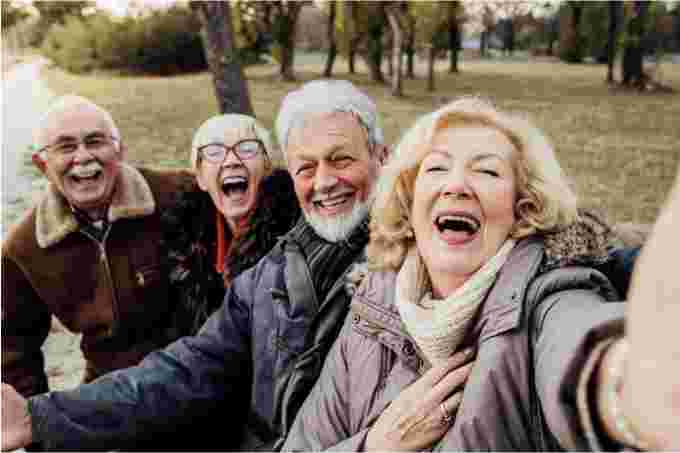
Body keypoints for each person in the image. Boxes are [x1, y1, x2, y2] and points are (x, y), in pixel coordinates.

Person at [0, 79, 437, 452]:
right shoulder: (271, 273)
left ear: (382, 156)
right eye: (306, 167)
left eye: (341, 159)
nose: (323, 181)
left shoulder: (425, 263)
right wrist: (40, 417)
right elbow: (184, 370)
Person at [282, 97, 678, 451]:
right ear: (409, 200)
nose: (456, 185)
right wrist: (375, 446)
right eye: (436, 169)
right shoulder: (370, 308)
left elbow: (580, 349)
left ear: (522, 209)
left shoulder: (550, 293)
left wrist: (629, 385)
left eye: (487, 173)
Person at [1, 95, 194, 397]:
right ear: (42, 164)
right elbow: (14, 350)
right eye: (65, 147)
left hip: (194, 373)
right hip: (110, 388)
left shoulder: (179, 195)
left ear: (119, 150)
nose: (83, 157)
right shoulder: (23, 248)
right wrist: (40, 428)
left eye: (95, 141)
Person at [161, 114, 300, 336]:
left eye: (247, 149)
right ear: (200, 178)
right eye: (214, 152)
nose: (231, 160)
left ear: (267, 165)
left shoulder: (296, 235)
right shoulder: (184, 241)